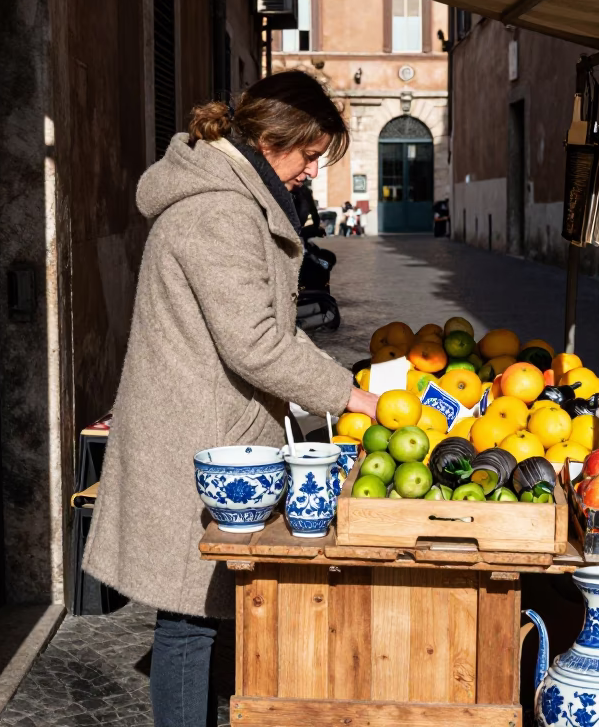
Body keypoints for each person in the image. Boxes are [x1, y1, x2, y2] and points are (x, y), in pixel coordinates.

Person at [83, 70, 379, 727]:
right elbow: (256, 343)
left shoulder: (232, 197)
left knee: (203, 617)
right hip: (196, 438)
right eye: (308, 155)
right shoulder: (221, 210)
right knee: (189, 623)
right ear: (275, 139)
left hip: (211, 431)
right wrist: (351, 396)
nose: (309, 171)